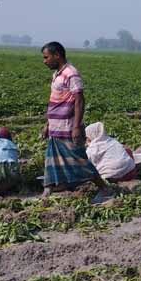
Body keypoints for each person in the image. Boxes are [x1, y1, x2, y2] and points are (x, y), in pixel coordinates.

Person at [41, 42, 111, 204]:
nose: (45, 61)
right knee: (52, 159)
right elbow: (54, 102)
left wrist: (77, 126)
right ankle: (48, 189)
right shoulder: (57, 75)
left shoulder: (71, 74)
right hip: (55, 127)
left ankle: (104, 188)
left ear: (57, 55)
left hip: (68, 126)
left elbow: (79, 100)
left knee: (79, 159)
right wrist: (48, 124)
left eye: (46, 57)